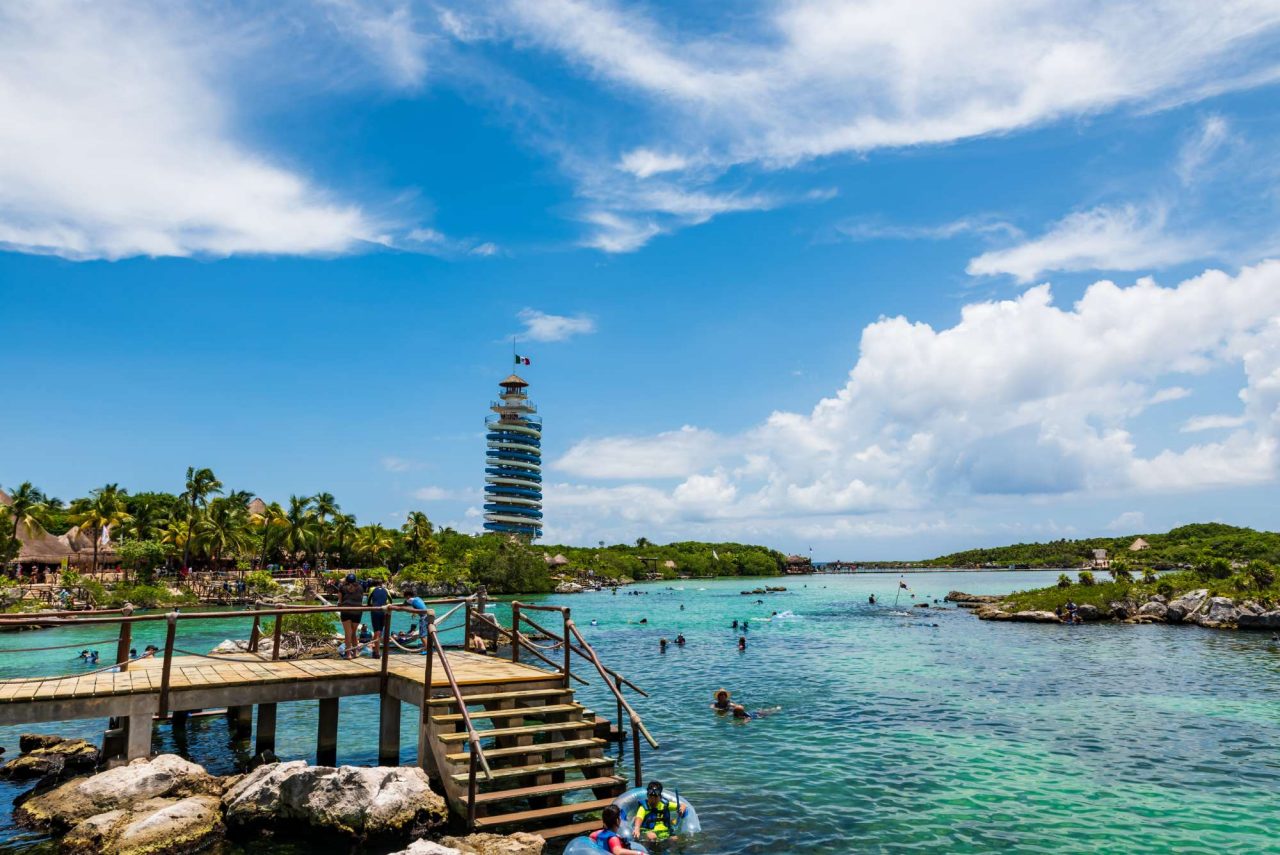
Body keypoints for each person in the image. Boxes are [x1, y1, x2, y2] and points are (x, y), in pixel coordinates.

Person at [633, 780, 686, 844]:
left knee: (675, 839)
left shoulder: (665, 805)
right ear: (647, 796)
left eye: (655, 798)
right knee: (652, 837)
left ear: (660, 797)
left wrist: (682, 808)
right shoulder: (644, 807)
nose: (653, 800)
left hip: (665, 833)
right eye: (650, 797)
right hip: (649, 832)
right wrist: (637, 828)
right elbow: (639, 817)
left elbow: (682, 805)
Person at [338, 573, 364, 659]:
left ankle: (348, 654)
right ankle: (355, 652)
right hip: (357, 611)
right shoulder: (360, 587)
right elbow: (360, 599)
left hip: (346, 610)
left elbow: (339, 601)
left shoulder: (342, 587)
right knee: (354, 632)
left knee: (348, 633)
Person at [367, 579, 390, 656]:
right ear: (381, 584)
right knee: (380, 630)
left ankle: (377, 652)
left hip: (375, 610)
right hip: (383, 611)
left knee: (376, 631)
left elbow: (369, 601)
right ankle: (375, 649)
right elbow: (390, 601)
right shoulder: (386, 590)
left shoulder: (372, 589)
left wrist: (371, 605)